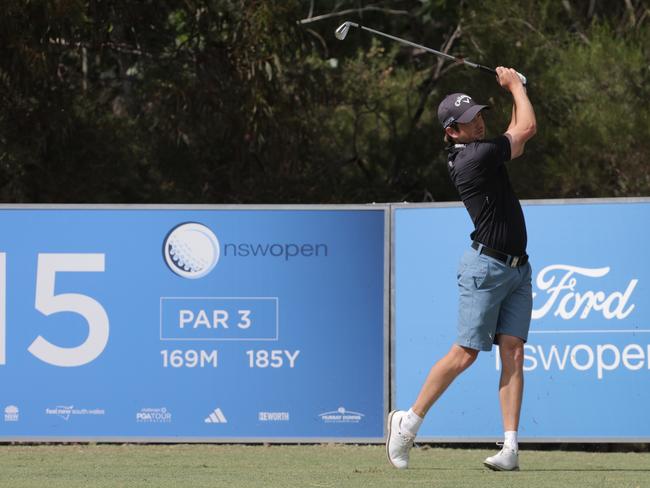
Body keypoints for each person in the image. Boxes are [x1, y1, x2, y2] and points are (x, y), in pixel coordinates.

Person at [386, 67, 537, 471]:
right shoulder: (472, 158)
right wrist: (516, 87)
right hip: (485, 268)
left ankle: (509, 448)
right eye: (470, 120)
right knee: (465, 353)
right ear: (453, 131)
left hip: (517, 269)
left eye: (480, 114)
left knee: (514, 352)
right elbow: (526, 130)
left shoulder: (482, 150)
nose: (479, 122)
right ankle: (407, 424)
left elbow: (515, 137)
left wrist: (513, 94)